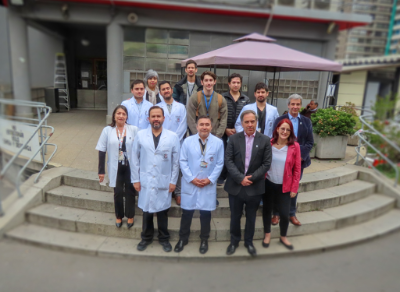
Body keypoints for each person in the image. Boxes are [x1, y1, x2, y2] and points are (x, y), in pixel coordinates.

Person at [131, 106, 180, 252]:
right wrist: (135, 179)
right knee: (146, 211)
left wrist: (173, 181)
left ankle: (164, 238)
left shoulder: (172, 136)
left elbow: (176, 162)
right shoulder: (141, 135)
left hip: (164, 180)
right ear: (149, 119)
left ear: (164, 118)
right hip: (146, 179)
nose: (156, 119)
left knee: (163, 211)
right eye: (153, 116)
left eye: (159, 116)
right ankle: (146, 238)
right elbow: (134, 158)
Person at [224, 110, 272, 256]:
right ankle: (234, 241)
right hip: (236, 186)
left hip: (254, 186)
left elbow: (266, 163)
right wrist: (240, 178)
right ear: (242, 123)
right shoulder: (233, 139)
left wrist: (250, 178)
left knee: (251, 217)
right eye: (247, 122)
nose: (250, 124)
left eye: (252, 121)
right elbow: (229, 161)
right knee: (235, 216)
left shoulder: (264, 140)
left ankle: (249, 242)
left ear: (256, 122)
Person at [174, 115, 224, 254]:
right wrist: (191, 178)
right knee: (187, 213)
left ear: (211, 126)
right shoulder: (188, 141)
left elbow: (220, 163)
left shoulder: (218, 143)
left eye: (207, 124)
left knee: (205, 214)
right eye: (201, 124)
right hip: (191, 183)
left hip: (207, 184)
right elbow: (182, 161)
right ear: (196, 126)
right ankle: (183, 239)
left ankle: (204, 240)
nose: (204, 127)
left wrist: (210, 179)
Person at [271, 94, 314, 227]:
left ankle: (291, 213)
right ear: (288, 105)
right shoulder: (280, 120)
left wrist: (300, 155)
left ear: (301, 106)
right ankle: (276, 213)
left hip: (298, 161)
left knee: (293, 186)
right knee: (278, 187)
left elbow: (309, 142)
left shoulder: (306, 121)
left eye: (298, 104)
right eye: (293, 104)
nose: (295, 107)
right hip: (281, 160)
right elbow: (275, 138)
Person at [96, 105, 139, 228]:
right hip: (116, 166)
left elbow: (140, 149)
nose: (121, 116)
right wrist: (101, 171)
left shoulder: (133, 129)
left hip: (130, 166)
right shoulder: (107, 130)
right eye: (118, 113)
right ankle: (119, 216)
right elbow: (102, 150)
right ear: (114, 116)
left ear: (126, 117)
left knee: (130, 191)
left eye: (123, 114)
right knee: (118, 192)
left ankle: (130, 216)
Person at [262, 119, 301, 250]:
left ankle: (283, 236)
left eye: (288, 130)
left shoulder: (295, 146)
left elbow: (297, 169)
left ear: (291, 132)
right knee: (267, 210)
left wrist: (294, 188)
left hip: (285, 186)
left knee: (284, 213)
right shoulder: (269, 143)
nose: (284, 132)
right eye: (282, 129)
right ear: (277, 129)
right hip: (269, 183)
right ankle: (267, 234)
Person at [156, 81, 187, 206]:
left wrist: (173, 140)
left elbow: (183, 125)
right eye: (163, 89)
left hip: (178, 142)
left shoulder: (181, 107)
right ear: (160, 92)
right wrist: (165, 140)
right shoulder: (157, 107)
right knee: (163, 167)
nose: (166, 91)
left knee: (177, 167)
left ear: (171, 90)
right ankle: (164, 192)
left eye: (168, 88)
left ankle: (178, 193)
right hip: (161, 142)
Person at [217, 73, 251, 185]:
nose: (236, 85)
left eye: (238, 82)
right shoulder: (222, 97)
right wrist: (225, 129)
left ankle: (235, 177)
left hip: (240, 132)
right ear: (229, 84)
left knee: (237, 155)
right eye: (233, 82)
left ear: (241, 84)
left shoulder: (245, 99)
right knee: (223, 154)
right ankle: (221, 176)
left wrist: (239, 130)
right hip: (224, 131)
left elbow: (247, 115)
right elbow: (218, 115)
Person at [187, 71, 227, 139]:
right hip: (197, 137)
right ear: (202, 82)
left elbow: (223, 121)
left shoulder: (221, 99)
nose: (209, 83)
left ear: (214, 82)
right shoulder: (194, 98)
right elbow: (190, 120)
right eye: (206, 80)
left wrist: (217, 137)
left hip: (215, 136)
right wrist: (198, 136)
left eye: (211, 80)